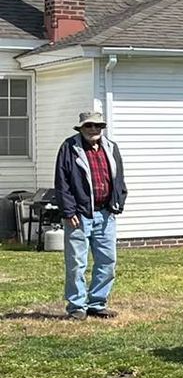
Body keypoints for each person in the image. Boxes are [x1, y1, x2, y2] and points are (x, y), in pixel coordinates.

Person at [53, 103, 127, 321]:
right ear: (81, 128)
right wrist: (68, 211)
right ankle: (77, 306)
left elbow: (119, 178)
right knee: (77, 262)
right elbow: (62, 182)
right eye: (89, 126)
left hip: (106, 214)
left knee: (107, 261)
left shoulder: (111, 147)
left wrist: (118, 201)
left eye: (98, 125)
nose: (94, 129)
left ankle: (97, 303)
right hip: (79, 215)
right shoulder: (69, 148)